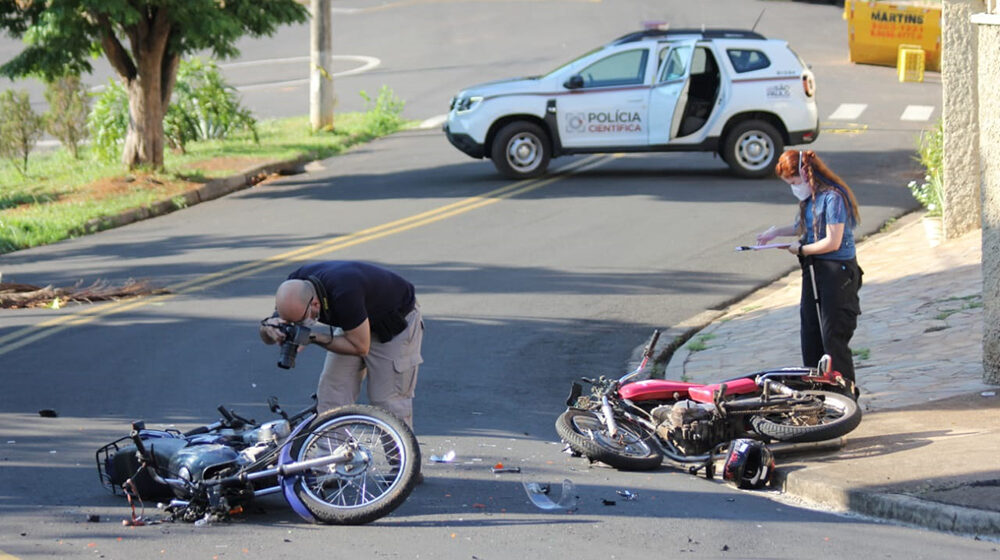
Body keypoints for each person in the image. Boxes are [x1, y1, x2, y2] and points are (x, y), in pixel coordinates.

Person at [259, 261, 424, 428]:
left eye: (300, 320)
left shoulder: (345, 291)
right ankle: (331, 453)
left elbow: (361, 347)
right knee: (332, 395)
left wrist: (313, 337)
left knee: (387, 402)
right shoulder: (294, 286)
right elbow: (268, 336)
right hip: (352, 323)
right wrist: (269, 328)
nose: (298, 324)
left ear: (315, 304)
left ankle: (402, 454)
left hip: (393, 327)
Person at [756, 150, 862, 384]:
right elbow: (802, 227)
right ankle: (818, 389)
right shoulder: (810, 199)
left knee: (832, 337)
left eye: (793, 182)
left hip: (837, 273)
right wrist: (774, 233)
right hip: (814, 269)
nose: (794, 187)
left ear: (805, 173)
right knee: (811, 332)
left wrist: (801, 249)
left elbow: (832, 242)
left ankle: (844, 391)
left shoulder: (834, 197)